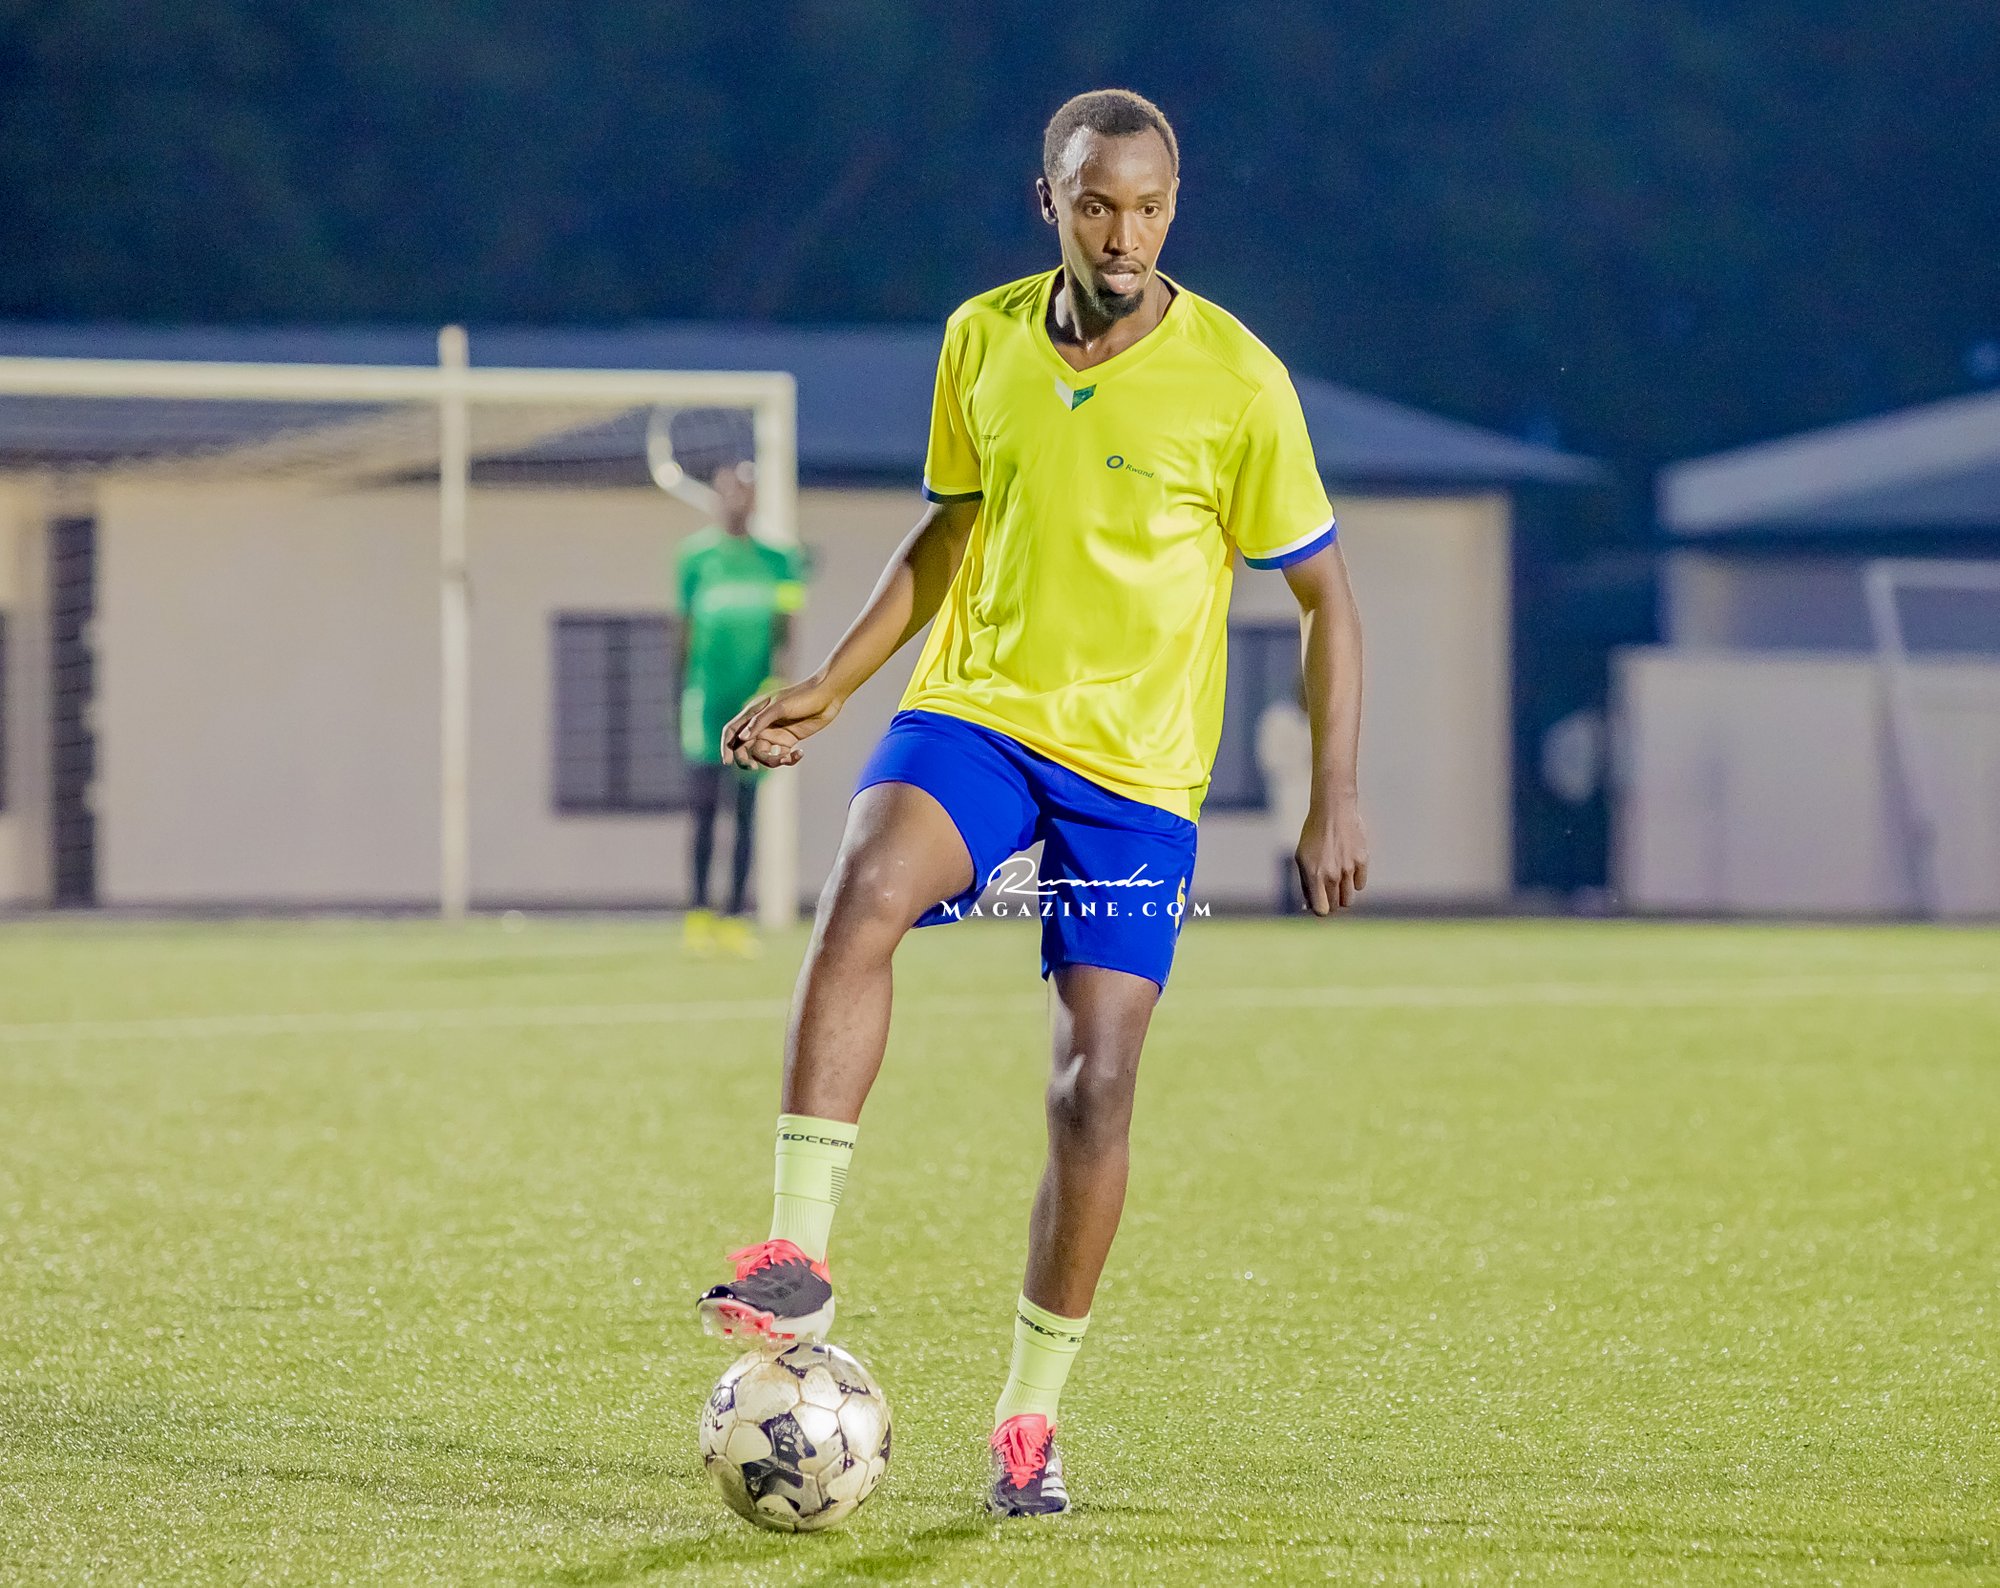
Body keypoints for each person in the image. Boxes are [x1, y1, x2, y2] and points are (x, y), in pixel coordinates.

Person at [696, 88, 1368, 1517]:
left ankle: (1028, 1420)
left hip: (1135, 777)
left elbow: (1324, 596)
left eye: (1149, 209)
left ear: (1174, 209)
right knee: (862, 890)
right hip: (980, 713)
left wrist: (1332, 796)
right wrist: (833, 683)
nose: (1124, 236)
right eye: (1096, 205)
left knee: (1094, 1083)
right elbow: (950, 527)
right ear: (1047, 201)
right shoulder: (980, 339)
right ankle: (794, 1255)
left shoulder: (1239, 380)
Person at [672, 456, 804, 958]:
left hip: (753, 704)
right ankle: (697, 914)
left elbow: (787, 629)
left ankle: (732, 917)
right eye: (730, 489)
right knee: (704, 807)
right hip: (706, 701)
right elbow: (683, 631)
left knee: (746, 812)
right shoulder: (694, 559)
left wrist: (778, 689)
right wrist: (679, 692)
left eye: (747, 490)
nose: (738, 499)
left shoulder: (781, 560)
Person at [1255, 679, 1316, 912]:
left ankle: (1311, 903)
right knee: (1288, 850)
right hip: (1288, 792)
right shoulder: (1279, 719)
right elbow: (1269, 757)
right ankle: (1286, 904)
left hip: (1310, 795)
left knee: (1310, 853)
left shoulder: (1319, 722)